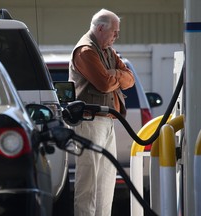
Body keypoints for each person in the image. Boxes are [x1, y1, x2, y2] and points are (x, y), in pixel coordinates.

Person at [69, 8, 135, 216]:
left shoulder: (107, 51)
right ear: (100, 28)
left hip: (107, 121)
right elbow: (105, 84)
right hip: (90, 122)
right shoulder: (86, 50)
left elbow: (130, 80)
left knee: (106, 181)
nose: (117, 36)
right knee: (88, 182)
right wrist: (117, 76)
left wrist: (114, 73)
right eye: (114, 32)